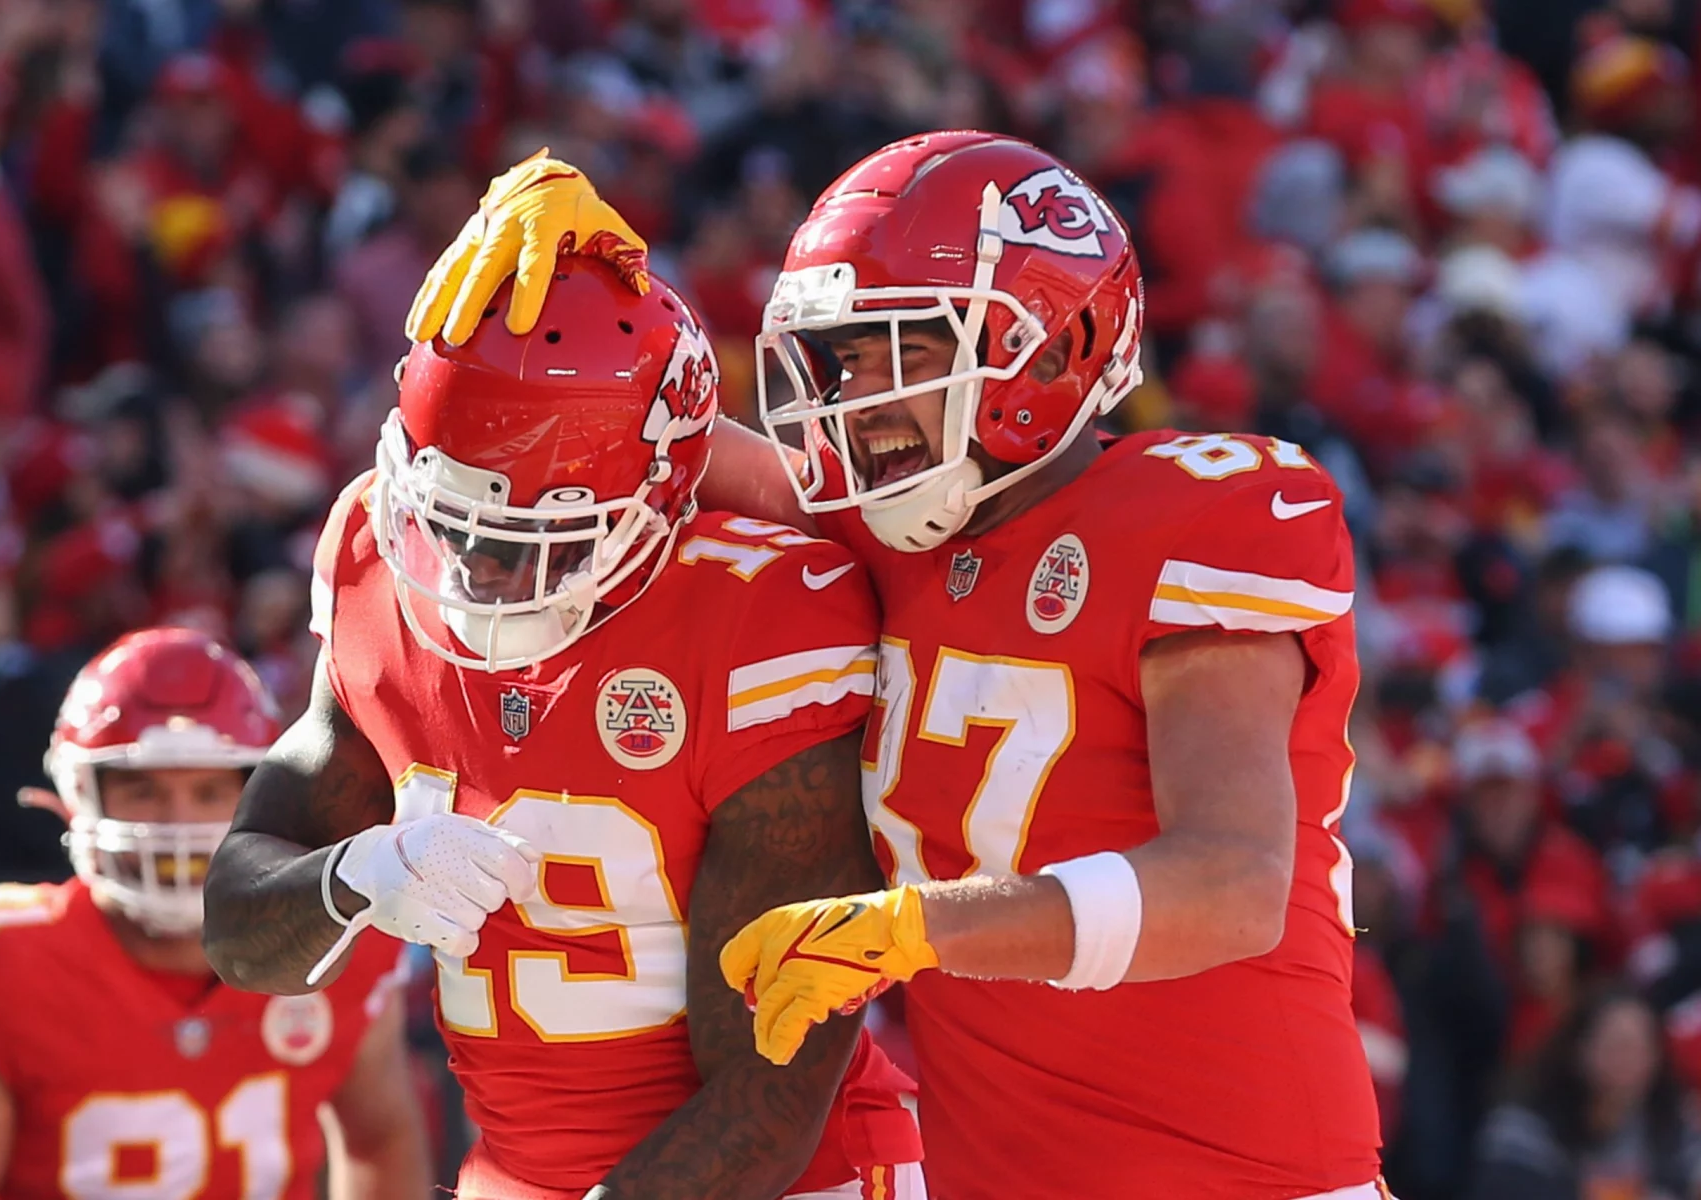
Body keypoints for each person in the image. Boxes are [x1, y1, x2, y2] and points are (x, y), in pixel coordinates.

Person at [407, 133, 1385, 1198]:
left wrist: (916, 928)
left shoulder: (1203, 514)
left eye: (903, 351)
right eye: (840, 359)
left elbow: (1233, 883)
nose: (856, 399)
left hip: (1255, 1176)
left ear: (1053, 348)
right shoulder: (894, 537)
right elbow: (633, 445)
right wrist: (569, 289)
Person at [200, 254, 923, 1199]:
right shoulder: (380, 554)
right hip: (518, 1172)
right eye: (453, 523)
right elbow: (236, 932)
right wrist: (352, 878)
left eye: (528, 539)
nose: (475, 573)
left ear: (663, 494)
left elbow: (767, 1094)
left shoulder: (759, 613)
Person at [0, 626, 428, 1200]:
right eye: (143, 790)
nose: (178, 825)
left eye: (207, 793)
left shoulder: (336, 939)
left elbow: (380, 1142)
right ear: (80, 795)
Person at [1468, 986, 1701, 1200]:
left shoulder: (1669, 1127)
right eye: (1619, 1046)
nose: (1633, 1062)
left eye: (1644, 1048)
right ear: (1580, 1050)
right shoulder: (1520, 1132)